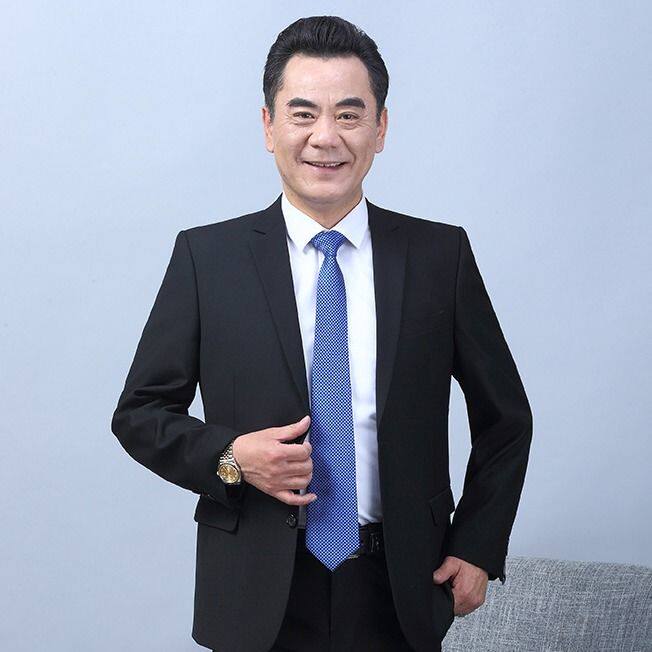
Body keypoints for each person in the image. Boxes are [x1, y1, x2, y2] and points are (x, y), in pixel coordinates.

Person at [111, 15, 533, 652]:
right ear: (268, 126)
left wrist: (478, 544)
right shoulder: (208, 259)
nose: (325, 137)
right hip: (254, 587)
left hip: (402, 584)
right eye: (303, 114)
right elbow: (139, 413)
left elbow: (507, 418)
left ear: (380, 128)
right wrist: (231, 457)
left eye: (350, 114)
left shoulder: (438, 257)